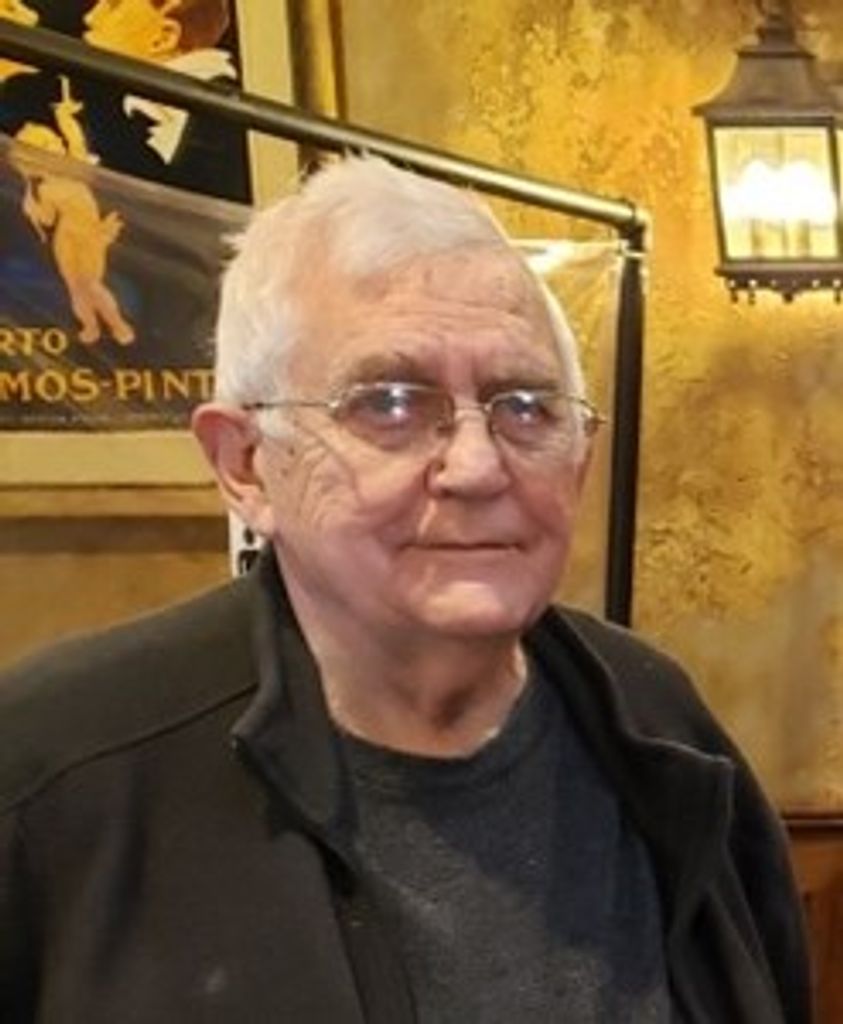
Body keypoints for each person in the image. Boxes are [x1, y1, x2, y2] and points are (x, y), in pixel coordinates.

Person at [0, 157, 811, 1022]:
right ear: (246, 465)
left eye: (525, 405)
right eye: (387, 403)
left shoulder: (658, 726)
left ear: (579, 457)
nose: (476, 465)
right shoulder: (55, 770)